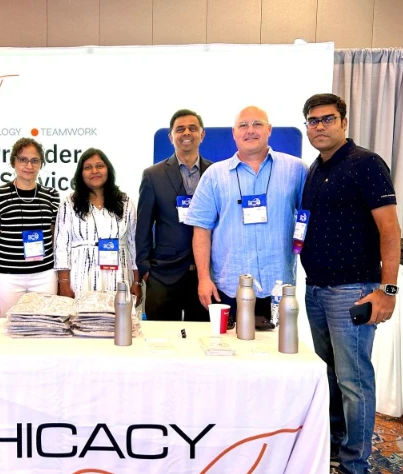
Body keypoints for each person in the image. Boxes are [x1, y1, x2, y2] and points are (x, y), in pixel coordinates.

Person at [300, 93, 400, 474]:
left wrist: (388, 290)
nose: (319, 126)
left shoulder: (366, 164)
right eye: (313, 121)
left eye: (327, 119)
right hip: (316, 289)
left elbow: (390, 230)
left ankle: (355, 463)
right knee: (329, 376)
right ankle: (335, 447)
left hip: (353, 290)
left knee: (354, 380)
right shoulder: (315, 169)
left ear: (344, 122)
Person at [186, 106, 308, 326]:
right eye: (243, 125)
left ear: (269, 129)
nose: (250, 130)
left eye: (257, 124)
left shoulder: (296, 170)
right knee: (226, 346)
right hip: (227, 289)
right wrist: (203, 279)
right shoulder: (214, 175)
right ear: (234, 133)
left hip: (278, 289)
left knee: (279, 346)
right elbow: (201, 230)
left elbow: (310, 220)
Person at [136, 109, 212, 321]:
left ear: (202, 135)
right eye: (180, 129)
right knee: (160, 337)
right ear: (171, 137)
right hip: (163, 275)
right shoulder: (152, 175)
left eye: (192, 128)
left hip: (205, 274)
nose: (186, 133)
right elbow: (143, 226)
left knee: (203, 337)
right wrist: (145, 267)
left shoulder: (216, 173)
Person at [0, 138, 60, 317]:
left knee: (45, 326)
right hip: (7, 278)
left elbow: (54, 239)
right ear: (13, 162)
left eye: (35, 160)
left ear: (41, 164)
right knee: (9, 326)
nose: (29, 165)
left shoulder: (51, 196)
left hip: (44, 276)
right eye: (23, 159)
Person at [54, 148, 141, 303]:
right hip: (80, 276)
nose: (94, 171)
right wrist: (64, 283)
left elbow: (134, 243)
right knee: (82, 316)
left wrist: (136, 281)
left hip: (119, 275)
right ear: (81, 173)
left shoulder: (125, 202)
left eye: (99, 166)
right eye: (88, 167)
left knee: (117, 315)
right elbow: (61, 245)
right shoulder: (69, 203)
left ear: (108, 169)